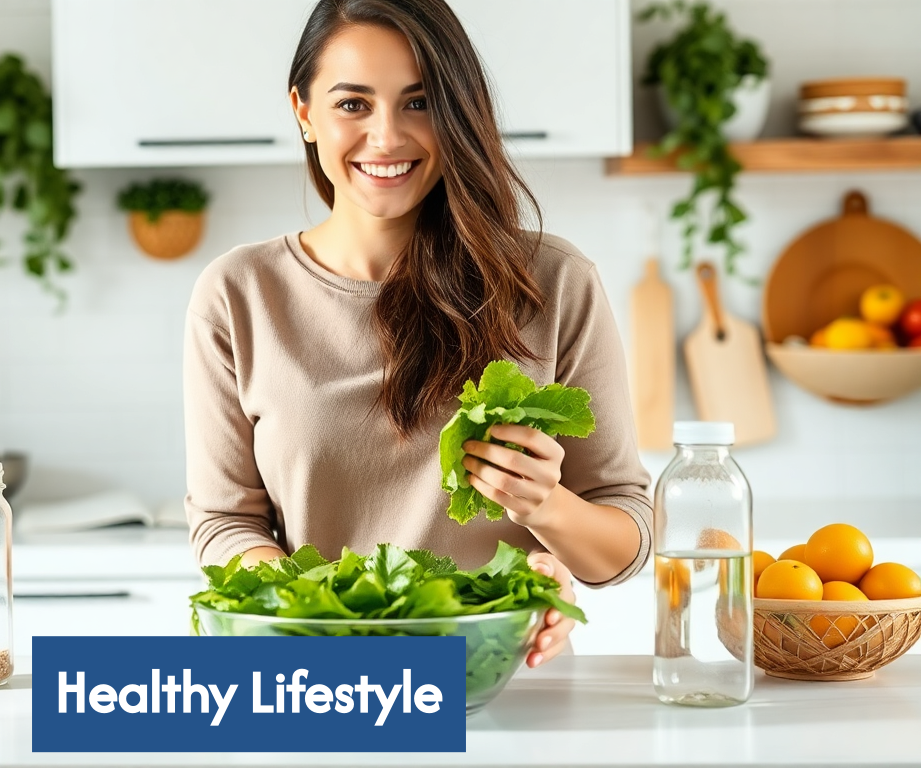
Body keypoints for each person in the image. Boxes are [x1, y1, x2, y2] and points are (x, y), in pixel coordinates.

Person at [181, 0, 652, 669]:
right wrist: (314, 613)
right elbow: (225, 522)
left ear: (458, 111)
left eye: (419, 102)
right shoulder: (238, 294)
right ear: (303, 112)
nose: (386, 138)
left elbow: (623, 541)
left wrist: (547, 510)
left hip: (497, 679)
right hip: (318, 678)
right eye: (352, 104)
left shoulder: (553, 282)